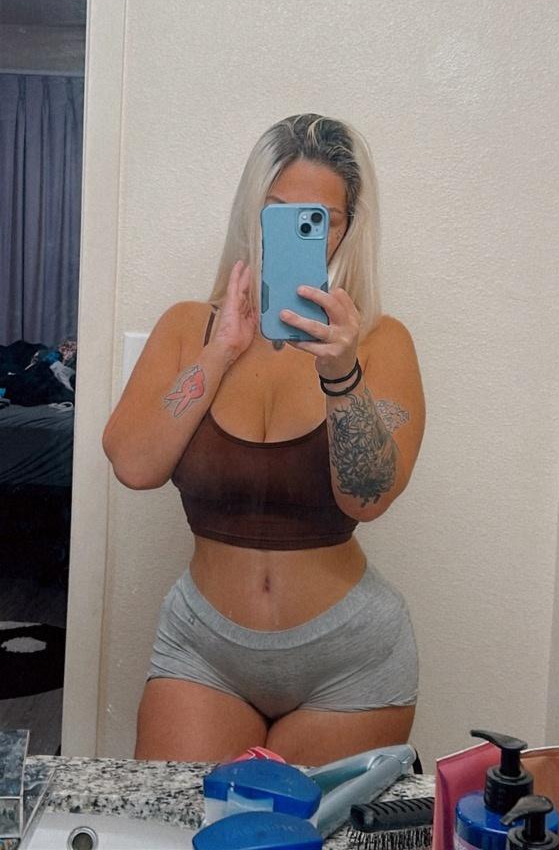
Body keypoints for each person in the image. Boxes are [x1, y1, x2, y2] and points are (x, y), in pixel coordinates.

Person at [102, 113, 425, 766]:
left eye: (320, 219)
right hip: (204, 652)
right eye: (278, 211)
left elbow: (367, 498)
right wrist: (221, 349)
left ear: (348, 228)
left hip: (349, 662)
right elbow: (134, 465)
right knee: (180, 818)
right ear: (251, 211)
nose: (297, 231)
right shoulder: (187, 327)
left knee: (305, 824)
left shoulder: (379, 342)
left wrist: (342, 372)